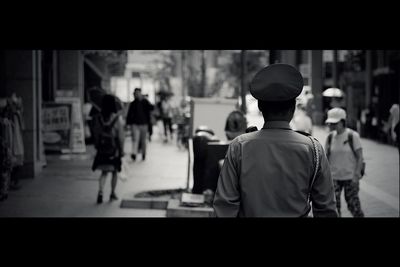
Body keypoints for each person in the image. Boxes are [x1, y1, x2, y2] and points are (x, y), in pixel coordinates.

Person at [213, 64, 337, 217]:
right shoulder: (313, 149)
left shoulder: (239, 147)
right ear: (293, 107)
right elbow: (327, 210)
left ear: (259, 106)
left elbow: (224, 208)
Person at [325, 107, 364, 217]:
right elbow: (326, 158)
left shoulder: (352, 136)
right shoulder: (330, 137)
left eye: (334, 123)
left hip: (350, 177)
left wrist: (356, 175)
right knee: (334, 208)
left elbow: (360, 157)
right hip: (334, 178)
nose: (331, 126)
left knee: (354, 206)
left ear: (342, 122)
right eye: (330, 123)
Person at [91, 94, 125, 204]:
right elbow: (120, 136)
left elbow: (95, 134)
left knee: (104, 172)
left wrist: (97, 145)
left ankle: (100, 192)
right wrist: (122, 150)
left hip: (102, 149)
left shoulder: (98, 118)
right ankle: (112, 193)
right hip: (113, 149)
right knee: (114, 172)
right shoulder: (117, 119)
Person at [126, 88, 154, 161]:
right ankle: (134, 153)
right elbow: (129, 114)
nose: (137, 94)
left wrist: (146, 99)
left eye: (138, 93)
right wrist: (128, 123)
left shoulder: (145, 102)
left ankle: (143, 154)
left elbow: (152, 108)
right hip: (135, 124)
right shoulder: (133, 103)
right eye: (136, 93)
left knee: (143, 140)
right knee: (135, 139)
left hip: (144, 124)